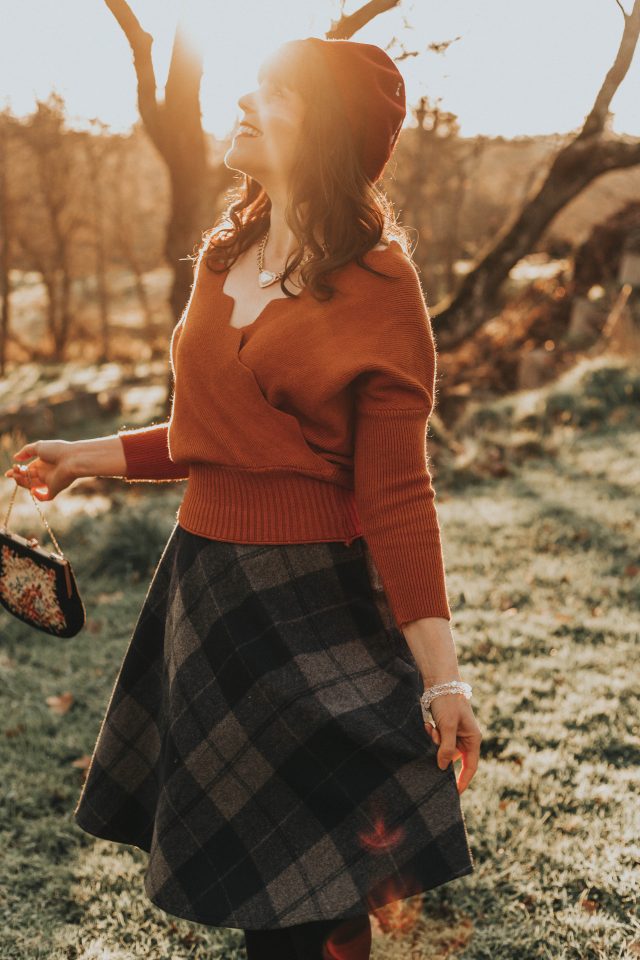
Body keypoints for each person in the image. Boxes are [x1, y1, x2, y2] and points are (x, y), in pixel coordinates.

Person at [4, 36, 482, 960]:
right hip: (210, 599)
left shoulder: (381, 285)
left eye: (278, 96)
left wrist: (444, 675)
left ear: (330, 134)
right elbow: (214, 438)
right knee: (268, 899)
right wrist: (85, 457)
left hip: (317, 607)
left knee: (316, 895)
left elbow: (397, 493)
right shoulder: (225, 255)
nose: (248, 102)